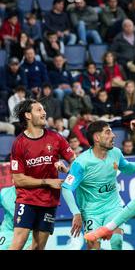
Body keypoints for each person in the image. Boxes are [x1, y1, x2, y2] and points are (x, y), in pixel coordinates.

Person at [61, 121, 135, 250]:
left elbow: (127, 169)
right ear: (97, 138)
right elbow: (66, 189)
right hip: (91, 212)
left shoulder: (116, 153)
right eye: (108, 132)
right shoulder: (81, 162)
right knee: (93, 247)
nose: (114, 135)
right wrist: (76, 213)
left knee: (117, 242)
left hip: (113, 207)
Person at [9, 99, 75, 250]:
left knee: (38, 247)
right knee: (18, 243)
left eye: (44, 109)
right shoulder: (19, 144)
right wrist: (47, 182)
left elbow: (75, 164)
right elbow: (18, 179)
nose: (44, 112)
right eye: (39, 110)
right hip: (27, 199)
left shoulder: (56, 138)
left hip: (49, 201)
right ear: (28, 115)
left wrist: (67, 171)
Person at [0, 161, 33, 250]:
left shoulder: (37, 197)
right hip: (7, 232)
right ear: (12, 179)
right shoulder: (4, 194)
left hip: (29, 235)